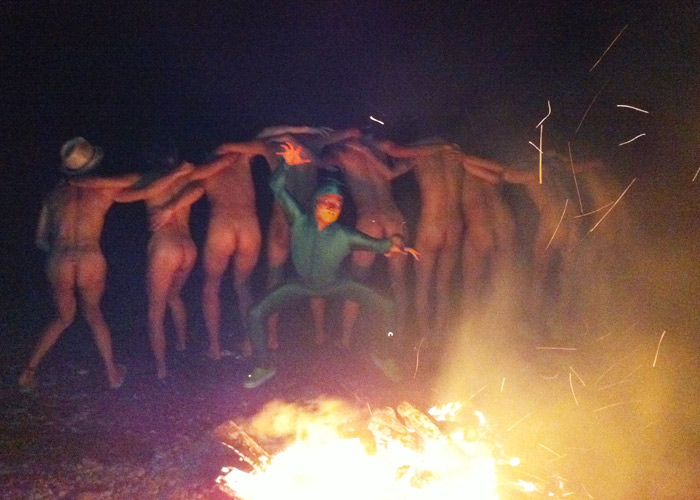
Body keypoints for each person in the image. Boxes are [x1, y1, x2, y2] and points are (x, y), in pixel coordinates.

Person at [244, 141, 413, 389]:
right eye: (327, 202)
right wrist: (285, 164)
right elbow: (276, 187)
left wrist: (397, 244)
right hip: (299, 285)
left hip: (336, 284)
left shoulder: (345, 235)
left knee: (387, 305)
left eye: (337, 205)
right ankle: (263, 365)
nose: (332, 208)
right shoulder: (298, 220)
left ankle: (384, 354)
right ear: (316, 203)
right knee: (255, 313)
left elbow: (379, 245)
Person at [73, 149, 236, 379]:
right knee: (175, 296)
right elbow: (202, 185)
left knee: (155, 310)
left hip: (165, 247)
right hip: (187, 247)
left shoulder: (146, 179)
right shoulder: (187, 177)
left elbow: (114, 191)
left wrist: (74, 179)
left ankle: (161, 369)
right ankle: (182, 346)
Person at [18, 137, 127, 391]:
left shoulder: (53, 195)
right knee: (94, 314)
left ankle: (27, 372)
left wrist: (62, 251)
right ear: (93, 164)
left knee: (62, 317)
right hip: (90, 257)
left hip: (60, 259)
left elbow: (40, 239)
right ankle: (112, 374)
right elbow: (136, 181)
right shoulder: (104, 189)